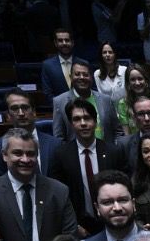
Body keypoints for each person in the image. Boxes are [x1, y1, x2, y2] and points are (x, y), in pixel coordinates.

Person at [0, 127, 79, 241]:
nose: (25, 159)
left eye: (30, 154)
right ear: (4, 155)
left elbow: (70, 234)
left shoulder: (59, 191)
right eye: (18, 153)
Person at [48, 98, 126, 230]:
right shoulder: (60, 155)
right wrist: (73, 225)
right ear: (71, 124)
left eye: (87, 118)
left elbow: (124, 187)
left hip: (113, 221)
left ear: (95, 122)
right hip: (77, 226)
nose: (83, 123)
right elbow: (57, 194)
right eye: (77, 119)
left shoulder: (114, 151)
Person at [0, 89, 61, 178]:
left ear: (34, 112)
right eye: (15, 108)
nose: (21, 113)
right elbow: (0, 182)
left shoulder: (55, 144)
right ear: (8, 116)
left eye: (25, 108)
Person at [39, 27, 76, 99]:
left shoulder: (83, 63)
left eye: (67, 40)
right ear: (55, 43)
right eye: (60, 40)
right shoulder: (47, 65)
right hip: (58, 108)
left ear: (72, 42)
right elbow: (47, 92)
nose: (64, 43)